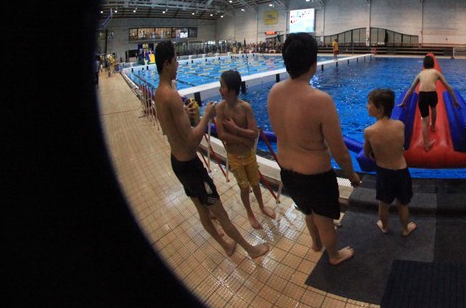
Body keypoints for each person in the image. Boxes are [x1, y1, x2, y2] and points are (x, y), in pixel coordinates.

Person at [153, 40, 269, 260]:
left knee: (203, 210)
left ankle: (226, 245)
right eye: (175, 60)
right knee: (220, 212)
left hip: (177, 162)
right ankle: (251, 250)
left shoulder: (160, 93)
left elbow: (168, 129)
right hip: (191, 167)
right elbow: (191, 141)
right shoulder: (171, 95)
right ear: (167, 63)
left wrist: (185, 115)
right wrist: (206, 115)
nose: (178, 64)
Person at [267, 33, 362, 265]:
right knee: (324, 221)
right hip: (315, 177)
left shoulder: (274, 91)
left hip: (288, 173)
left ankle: (316, 244)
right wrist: (351, 175)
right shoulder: (320, 100)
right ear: (314, 62)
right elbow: (340, 151)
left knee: (307, 212)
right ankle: (334, 256)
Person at [214, 69, 277, 229]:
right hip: (234, 156)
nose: (219, 89)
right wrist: (243, 138)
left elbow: (254, 133)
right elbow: (222, 135)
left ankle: (262, 207)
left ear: (231, 90)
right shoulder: (220, 108)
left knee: (255, 183)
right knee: (244, 187)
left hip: (248, 155)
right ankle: (250, 213)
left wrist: (235, 129)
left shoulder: (245, 107)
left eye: (222, 86)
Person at [363, 88, 416, 236]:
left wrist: (373, 154)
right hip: (402, 171)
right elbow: (401, 146)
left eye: (369, 103)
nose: (367, 106)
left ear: (379, 108)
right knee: (403, 203)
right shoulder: (400, 125)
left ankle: (385, 227)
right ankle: (405, 229)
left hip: (384, 173)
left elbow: (367, 153)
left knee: (383, 204)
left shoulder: (369, 131)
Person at [398, 55, 460, 151]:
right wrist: (455, 101)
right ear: (433, 64)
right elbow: (448, 87)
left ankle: (426, 144)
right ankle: (433, 126)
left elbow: (411, 89)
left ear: (423, 65)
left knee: (425, 121)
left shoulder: (420, 74)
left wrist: (403, 101)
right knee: (433, 108)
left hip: (422, 95)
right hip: (432, 94)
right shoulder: (436, 72)